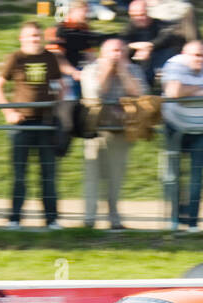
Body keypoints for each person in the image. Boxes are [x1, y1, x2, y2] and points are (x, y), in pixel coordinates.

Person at [0, 22, 64, 230]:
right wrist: (8, 112)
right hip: (22, 124)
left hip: (46, 124)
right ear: (21, 38)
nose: (35, 39)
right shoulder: (16, 58)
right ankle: (14, 219)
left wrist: (56, 107)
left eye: (37, 35)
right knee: (19, 174)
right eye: (30, 36)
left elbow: (61, 86)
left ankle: (52, 220)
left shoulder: (51, 58)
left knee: (48, 174)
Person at [160, 40, 203, 232]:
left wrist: (190, 91)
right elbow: (174, 92)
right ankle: (174, 218)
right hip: (173, 126)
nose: (201, 59)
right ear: (184, 54)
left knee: (198, 177)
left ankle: (193, 222)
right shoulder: (174, 64)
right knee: (172, 176)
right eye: (196, 55)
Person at [80, 36, 144, 230]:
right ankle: (89, 220)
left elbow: (141, 95)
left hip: (121, 131)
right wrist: (108, 70)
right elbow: (94, 93)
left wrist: (123, 73)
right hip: (96, 130)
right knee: (92, 175)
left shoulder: (133, 69)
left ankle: (114, 218)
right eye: (113, 51)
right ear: (102, 54)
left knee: (116, 178)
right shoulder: (91, 69)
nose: (117, 55)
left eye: (121, 51)